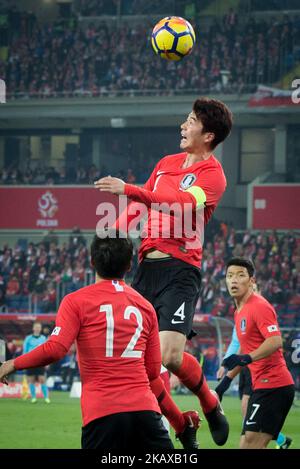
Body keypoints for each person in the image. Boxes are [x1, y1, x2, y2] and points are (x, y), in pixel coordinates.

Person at [94, 97, 232, 447]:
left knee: (170, 356)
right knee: (140, 365)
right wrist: (115, 232)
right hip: (145, 270)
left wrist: (126, 188)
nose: (183, 127)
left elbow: (181, 204)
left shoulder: (213, 176)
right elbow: (143, 203)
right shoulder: (167, 163)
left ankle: (210, 403)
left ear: (209, 134)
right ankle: (181, 424)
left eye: (190, 121)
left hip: (180, 269)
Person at [0, 232, 174, 451]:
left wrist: (12, 363)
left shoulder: (75, 301)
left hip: (102, 413)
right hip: (146, 412)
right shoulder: (146, 307)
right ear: (130, 265)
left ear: (92, 262)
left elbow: (55, 349)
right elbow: (151, 370)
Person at [221, 257, 295, 449]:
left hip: (274, 386)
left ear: (252, 281)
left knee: (250, 446)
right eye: (230, 276)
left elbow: (275, 340)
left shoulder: (259, 306)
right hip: (261, 386)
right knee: (245, 444)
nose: (234, 280)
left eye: (240, 275)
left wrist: (247, 358)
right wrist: (226, 382)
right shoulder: (238, 312)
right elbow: (245, 349)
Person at [216, 325, 293, 449]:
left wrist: (226, 377)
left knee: (246, 405)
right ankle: (278, 438)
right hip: (244, 365)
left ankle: (273, 437)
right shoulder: (238, 316)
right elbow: (236, 344)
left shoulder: (255, 311)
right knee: (246, 408)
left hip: (258, 368)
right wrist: (224, 367)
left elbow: (273, 341)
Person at [22, 322, 50, 404]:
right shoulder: (28, 338)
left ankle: (46, 398)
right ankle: (33, 398)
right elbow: (25, 351)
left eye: (39, 327)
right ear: (33, 328)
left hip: (40, 361)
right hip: (30, 361)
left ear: (40, 329)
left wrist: (47, 362)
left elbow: (46, 351)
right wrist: (24, 361)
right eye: (36, 327)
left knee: (42, 379)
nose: (37, 329)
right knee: (31, 380)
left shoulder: (43, 338)